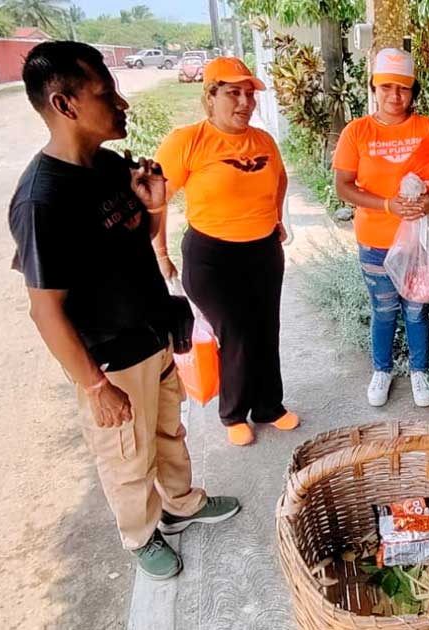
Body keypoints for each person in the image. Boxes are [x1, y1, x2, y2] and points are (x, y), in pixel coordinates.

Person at [8, 41, 240, 581]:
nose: (122, 103)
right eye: (104, 92)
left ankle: (181, 504)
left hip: (151, 333)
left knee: (168, 434)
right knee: (127, 457)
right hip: (111, 357)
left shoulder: (110, 166)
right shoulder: (42, 201)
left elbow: (140, 240)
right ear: (65, 105)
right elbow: (45, 312)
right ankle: (140, 536)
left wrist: (155, 206)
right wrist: (94, 386)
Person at [153, 57, 296, 447]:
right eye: (233, 93)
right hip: (211, 256)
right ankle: (233, 413)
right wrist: (160, 252)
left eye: (249, 94)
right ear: (210, 96)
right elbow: (156, 199)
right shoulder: (188, 141)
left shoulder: (263, 141)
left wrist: (276, 217)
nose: (244, 102)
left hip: (263, 251)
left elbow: (279, 177)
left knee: (266, 328)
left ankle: (269, 406)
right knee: (236, 332)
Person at [332, 48, 429, 408]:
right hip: (375, 240)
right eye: (386, 87)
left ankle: (419, 370)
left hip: (420, 242)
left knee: (417, 309)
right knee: (384, 309)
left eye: (403, 88)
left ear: (413, 91)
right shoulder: (357, 132)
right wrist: (386, 204)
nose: (395, 95)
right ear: (373, 88)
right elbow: (343, 186)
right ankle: (382, 370)